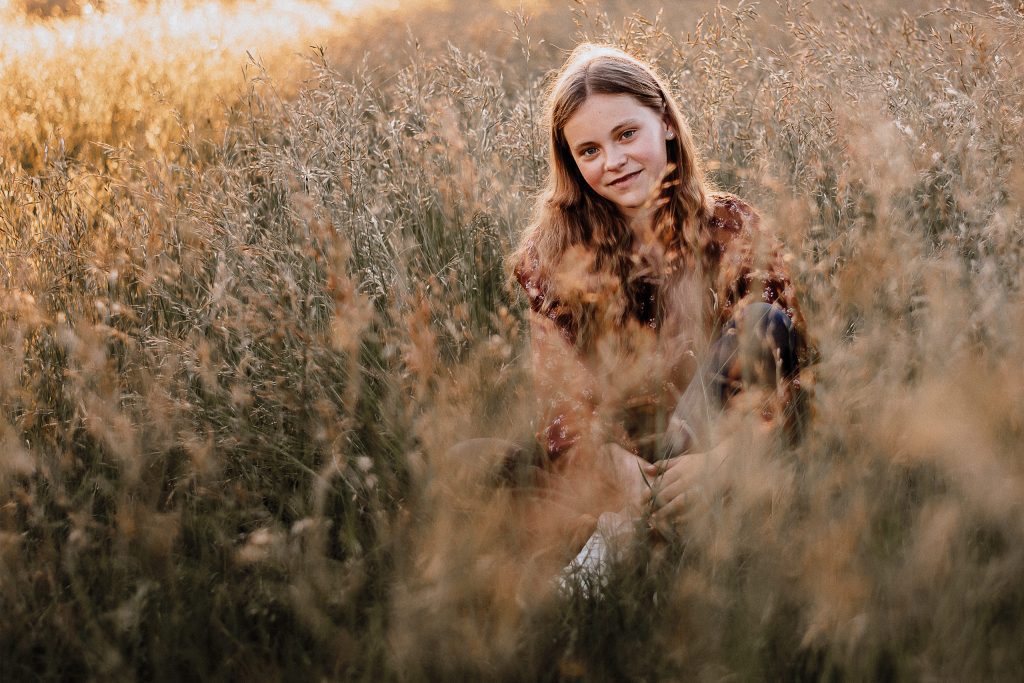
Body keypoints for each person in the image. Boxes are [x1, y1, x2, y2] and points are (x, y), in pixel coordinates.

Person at [507, 44, 808, 575]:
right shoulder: (549, 255)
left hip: (715, 439)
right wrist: (614, 464)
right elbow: (560, 397)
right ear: (572, 164)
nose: (614, 161)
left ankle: (636, 545)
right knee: (476, 462)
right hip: (620, 457)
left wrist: (724, 462)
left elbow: (793, 361)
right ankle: (632, 531)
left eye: (626, 134)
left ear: (665, 123)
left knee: (764, 323)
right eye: (590, 150)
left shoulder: (732, 227)